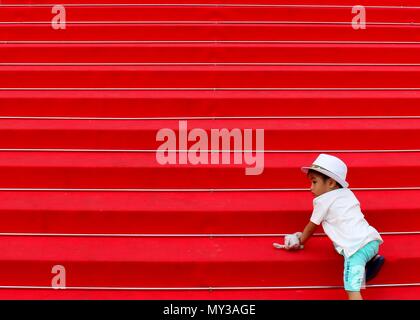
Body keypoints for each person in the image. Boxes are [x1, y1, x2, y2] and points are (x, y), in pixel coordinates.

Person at [284, 153, 385, 300]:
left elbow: (312, 226)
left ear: (331, 183)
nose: (310, 187)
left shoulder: (322, 201)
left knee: (351, 289)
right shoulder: (347, 193)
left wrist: (300, 241)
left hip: (356, 250)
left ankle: (361, 270)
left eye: (314, 182)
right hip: (372, 242)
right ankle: (371, 261)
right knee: (340, 248)